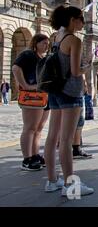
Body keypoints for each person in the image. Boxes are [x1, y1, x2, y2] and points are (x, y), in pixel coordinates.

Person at [43, 5, 94, 197]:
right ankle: (70, 184)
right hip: (70, 92)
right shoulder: (74, 39)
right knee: (66, 139)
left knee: (52, 137)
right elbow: (75, 71)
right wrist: (87, 67)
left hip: (55, 91)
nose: (83, 23)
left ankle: (51, 180)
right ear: (73, 20)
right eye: (81, 19)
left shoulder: (57, 36)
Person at [12, 34, 50, 171]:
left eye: (48, 43)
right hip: (32, 95)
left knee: (38, 128)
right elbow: (16, 68)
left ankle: (35, 154)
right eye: (44, 43)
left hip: (44, 95)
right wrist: (25, 85)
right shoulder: (28, 54)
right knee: (30, 127)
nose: (46, 45)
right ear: (36, 43)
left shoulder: (43, 57)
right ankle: (26, 158)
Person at [72, 76, 93, 159]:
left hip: (79, 91)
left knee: (80, 122)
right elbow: (77, 71)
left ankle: (76, 148)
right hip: (73, 91)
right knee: (72, 122)